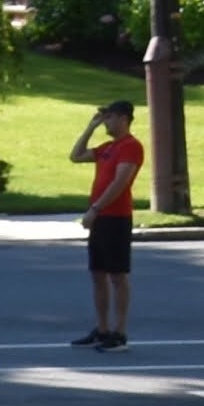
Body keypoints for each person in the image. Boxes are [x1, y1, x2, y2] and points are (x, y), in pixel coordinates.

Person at [70, 100, 144, 349]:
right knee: (98, 274)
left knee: (117, 276)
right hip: (100, 218)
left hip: (116, 217)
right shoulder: (107, 148)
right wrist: (90, 128)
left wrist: (95, 209)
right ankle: (102, 329)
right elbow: (76, 156)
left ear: (123, 118)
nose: (106, 122)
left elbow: (120, 182)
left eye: (109, 117)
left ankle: (119, 332)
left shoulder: (131, 147)